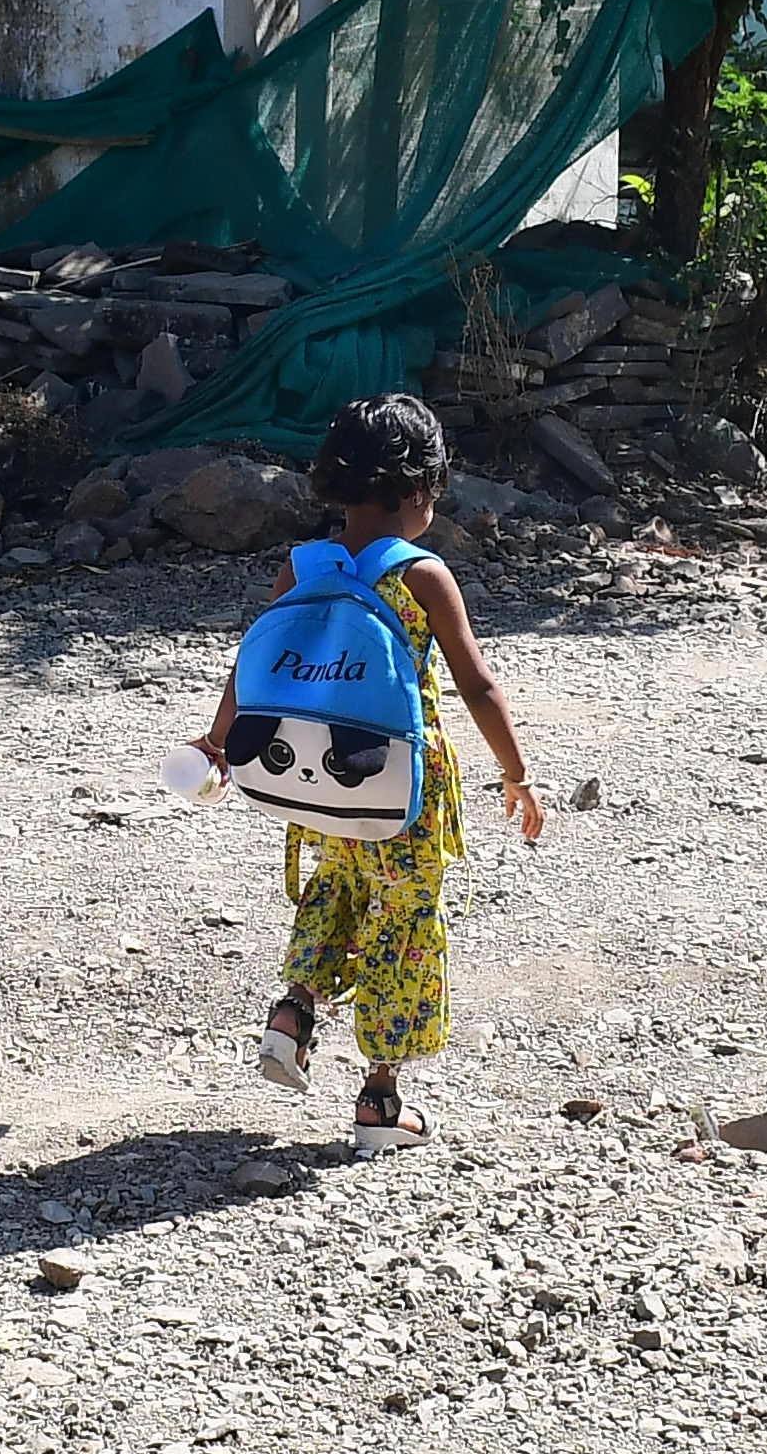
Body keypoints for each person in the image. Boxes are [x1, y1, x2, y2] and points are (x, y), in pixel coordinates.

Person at [200, 392, 541, 1148]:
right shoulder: (421, 574)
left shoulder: (302, 569)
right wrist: (516, 773)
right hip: (399, 785)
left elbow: (256, 667)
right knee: (406, 921)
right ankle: (380, 1102)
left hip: (318, 782)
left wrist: (217, 742)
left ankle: (294, 1008)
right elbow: (477, 683)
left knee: (341, 884)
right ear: (421, 489)